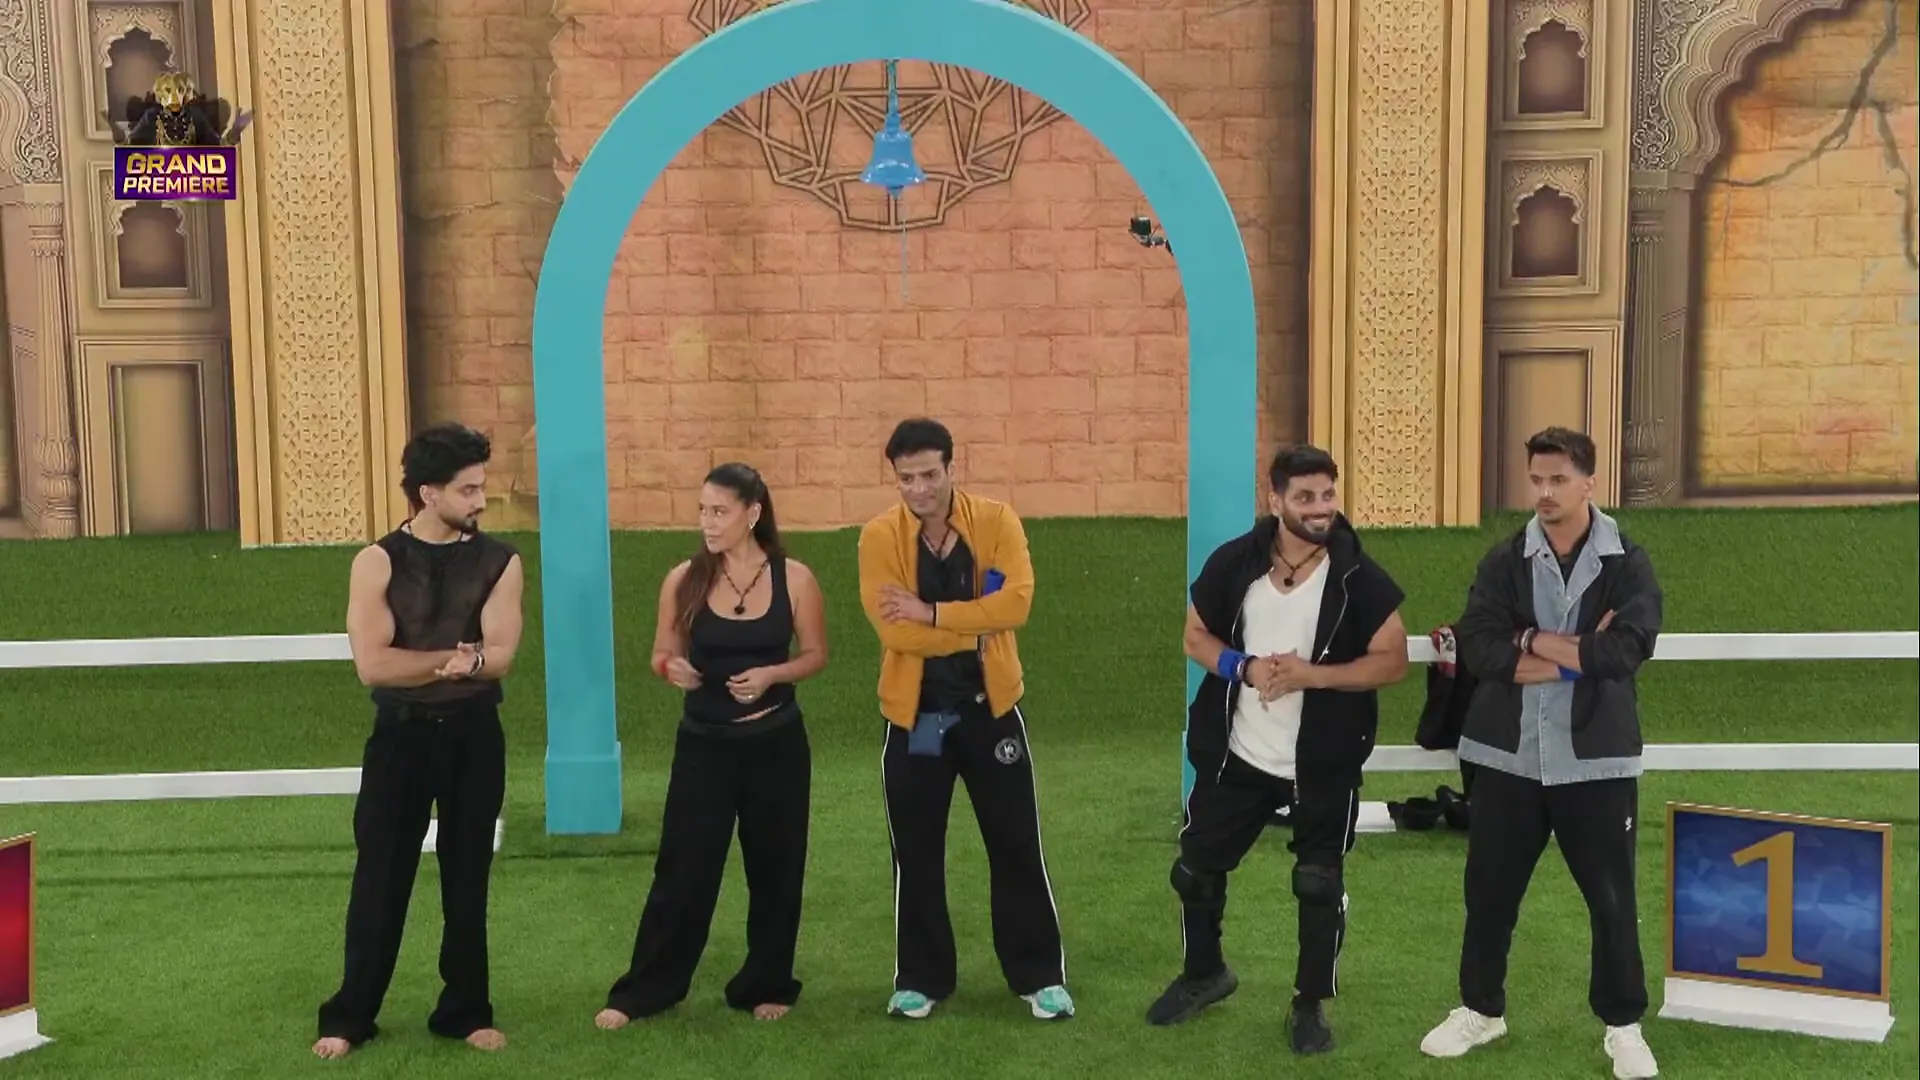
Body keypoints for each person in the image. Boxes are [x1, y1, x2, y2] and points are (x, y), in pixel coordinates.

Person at [1146, 445, 1409, 1053]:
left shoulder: (1356, 575)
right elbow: (1195, 637)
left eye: (1327, 495)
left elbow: (1392, 661)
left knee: (1318, 883)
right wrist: (1243, 668)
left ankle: (1309, 1004)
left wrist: (1312, 676)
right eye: (1305, 497)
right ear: (1276, 500)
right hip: (1238, 754)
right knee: (1195, 871)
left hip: (1323, 762)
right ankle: (1204, 974)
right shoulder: (1236, 562)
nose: (1320, 508)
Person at [1418, 427, 1662, 1080]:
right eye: (1536, 480)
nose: (1544, 492)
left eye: (1558, 480)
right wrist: (1573, 654)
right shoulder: (1504, 560)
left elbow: (1625, 651)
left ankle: (1623, 1025)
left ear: (1590, 483)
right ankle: (1481, 1010)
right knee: (1488, 897)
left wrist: (1528, 640)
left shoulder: (1628, 563)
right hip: (1506, 758)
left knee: (1612, 901)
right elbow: (1481, 647)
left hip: (1598, 762)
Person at [314, 422, 524, 1059]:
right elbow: (373, 666)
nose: (481, 501)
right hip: (400, 742)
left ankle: (466, 1011)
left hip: (474, 739)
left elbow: (501, 654)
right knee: (380, 876)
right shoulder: (376, 562)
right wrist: (450, 661)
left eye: (481, 487)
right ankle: (350, 1016)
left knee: (468, 875)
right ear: (429, 493)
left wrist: (469, 661)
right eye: (468, 490)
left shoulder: (501, 562)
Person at [596, 462, 828, 1028]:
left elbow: (815, 654)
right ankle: (647, 990)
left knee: (776, 868)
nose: (707, 521)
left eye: (720, 511)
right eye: (702, 510)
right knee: (683, 870)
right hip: (704, 748)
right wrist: (670, 668)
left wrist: (773, 675)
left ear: (753, 513)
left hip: (776, 745)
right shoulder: (683, 579)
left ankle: (767, 983)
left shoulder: (795, 579)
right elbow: (660, 652)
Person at [857, 417, 1072, 1022]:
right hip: (922, 720)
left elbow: (1016, 605)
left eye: (930, 475)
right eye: (907, 478)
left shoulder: (997, 522)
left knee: (1016, 842)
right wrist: (973, 626)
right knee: (917, 848)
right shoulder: (879, 537)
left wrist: (929, 614)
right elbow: (892, 632)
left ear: (953, 468)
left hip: (988, 715)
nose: (919, 489)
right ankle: (921, 979)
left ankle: (1040, 977)